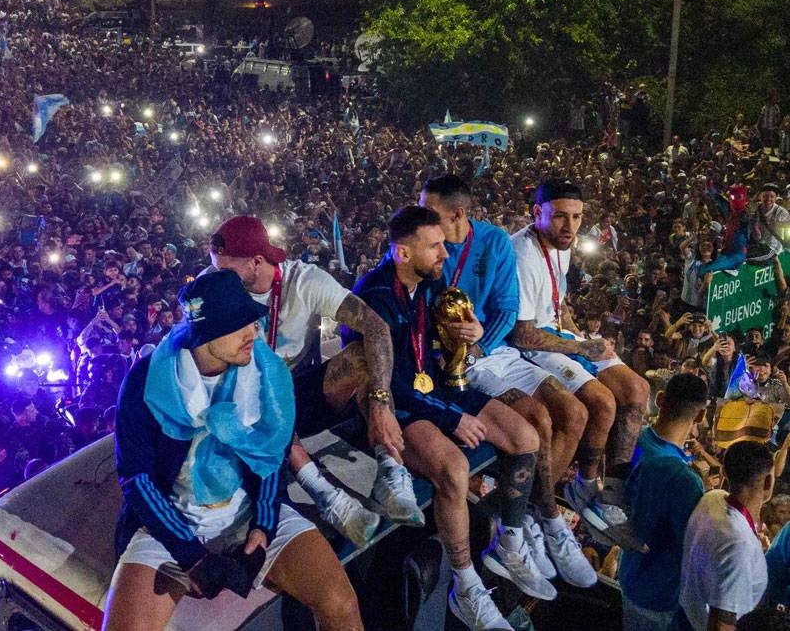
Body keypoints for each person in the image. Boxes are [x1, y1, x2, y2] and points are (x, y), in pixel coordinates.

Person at [104, 270, 362, 631]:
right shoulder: (148, 379)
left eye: (253, 321)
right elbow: (136, 477)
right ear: (205, 333)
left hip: (245, 510)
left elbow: (272, 453)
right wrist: (191, 555)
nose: (253, 333)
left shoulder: (264, 369)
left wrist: (264, 524)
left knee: (342, 604)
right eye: (239, 325)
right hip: (174, 520)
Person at [349, 206, 550, 630]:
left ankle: (508, 542)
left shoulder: (426, 285)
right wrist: (451, 417)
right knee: (455, 471)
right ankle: (466, 585)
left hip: (435, 390)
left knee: (525, 438)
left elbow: (435, 353)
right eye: (435, 246)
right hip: (400, 404)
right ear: (403, 253)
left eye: (445, 243)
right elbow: (386, 382)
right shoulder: (375, 296)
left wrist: (470, 337)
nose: (446, 252)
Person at [420, 174, 596, 588]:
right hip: (457, 364)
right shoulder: (427, 248)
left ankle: (529, 515)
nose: (424, 221)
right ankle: (538, 522)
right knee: (538, 419)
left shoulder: (494, 242)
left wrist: (479, 344)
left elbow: (506, 309)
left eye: (433, 214)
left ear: (458, 214)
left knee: (573, 411)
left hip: (493, 349)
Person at [210, 216, 420, 548]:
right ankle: (326, 496)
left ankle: (390, 469)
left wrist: (380, 401)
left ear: (257, 262)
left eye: (226, 270)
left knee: (360, 357)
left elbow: (376, 327)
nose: (218, 277)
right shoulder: (215, 289)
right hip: (251, 397)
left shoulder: (304, 280)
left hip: (302, 388)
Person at [510, 179, 650, 546]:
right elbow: (523, 334)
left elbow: (559, 306)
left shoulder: (562, 245)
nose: (570, 227)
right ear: (536, 213)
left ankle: (613, 491)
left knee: (638, 389)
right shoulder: (523, 255)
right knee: (602, 403)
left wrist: (584, 339)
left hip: (561, 336)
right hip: (534, 345)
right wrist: (577, 350)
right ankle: (583, 486)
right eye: (559, 217)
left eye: (576, 217)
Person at [618, 373, 709, 631]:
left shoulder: (632, 440)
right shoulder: (684, 479)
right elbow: (692, 554)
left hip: (629, 577)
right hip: (658, 598)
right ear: (700, 415)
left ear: (659, 399)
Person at [678, 440, 774, 631]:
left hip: (687, 611)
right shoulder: (738, 544)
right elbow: (722, 623)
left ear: (724, 473)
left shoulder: (712, 498)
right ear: (768, 481)